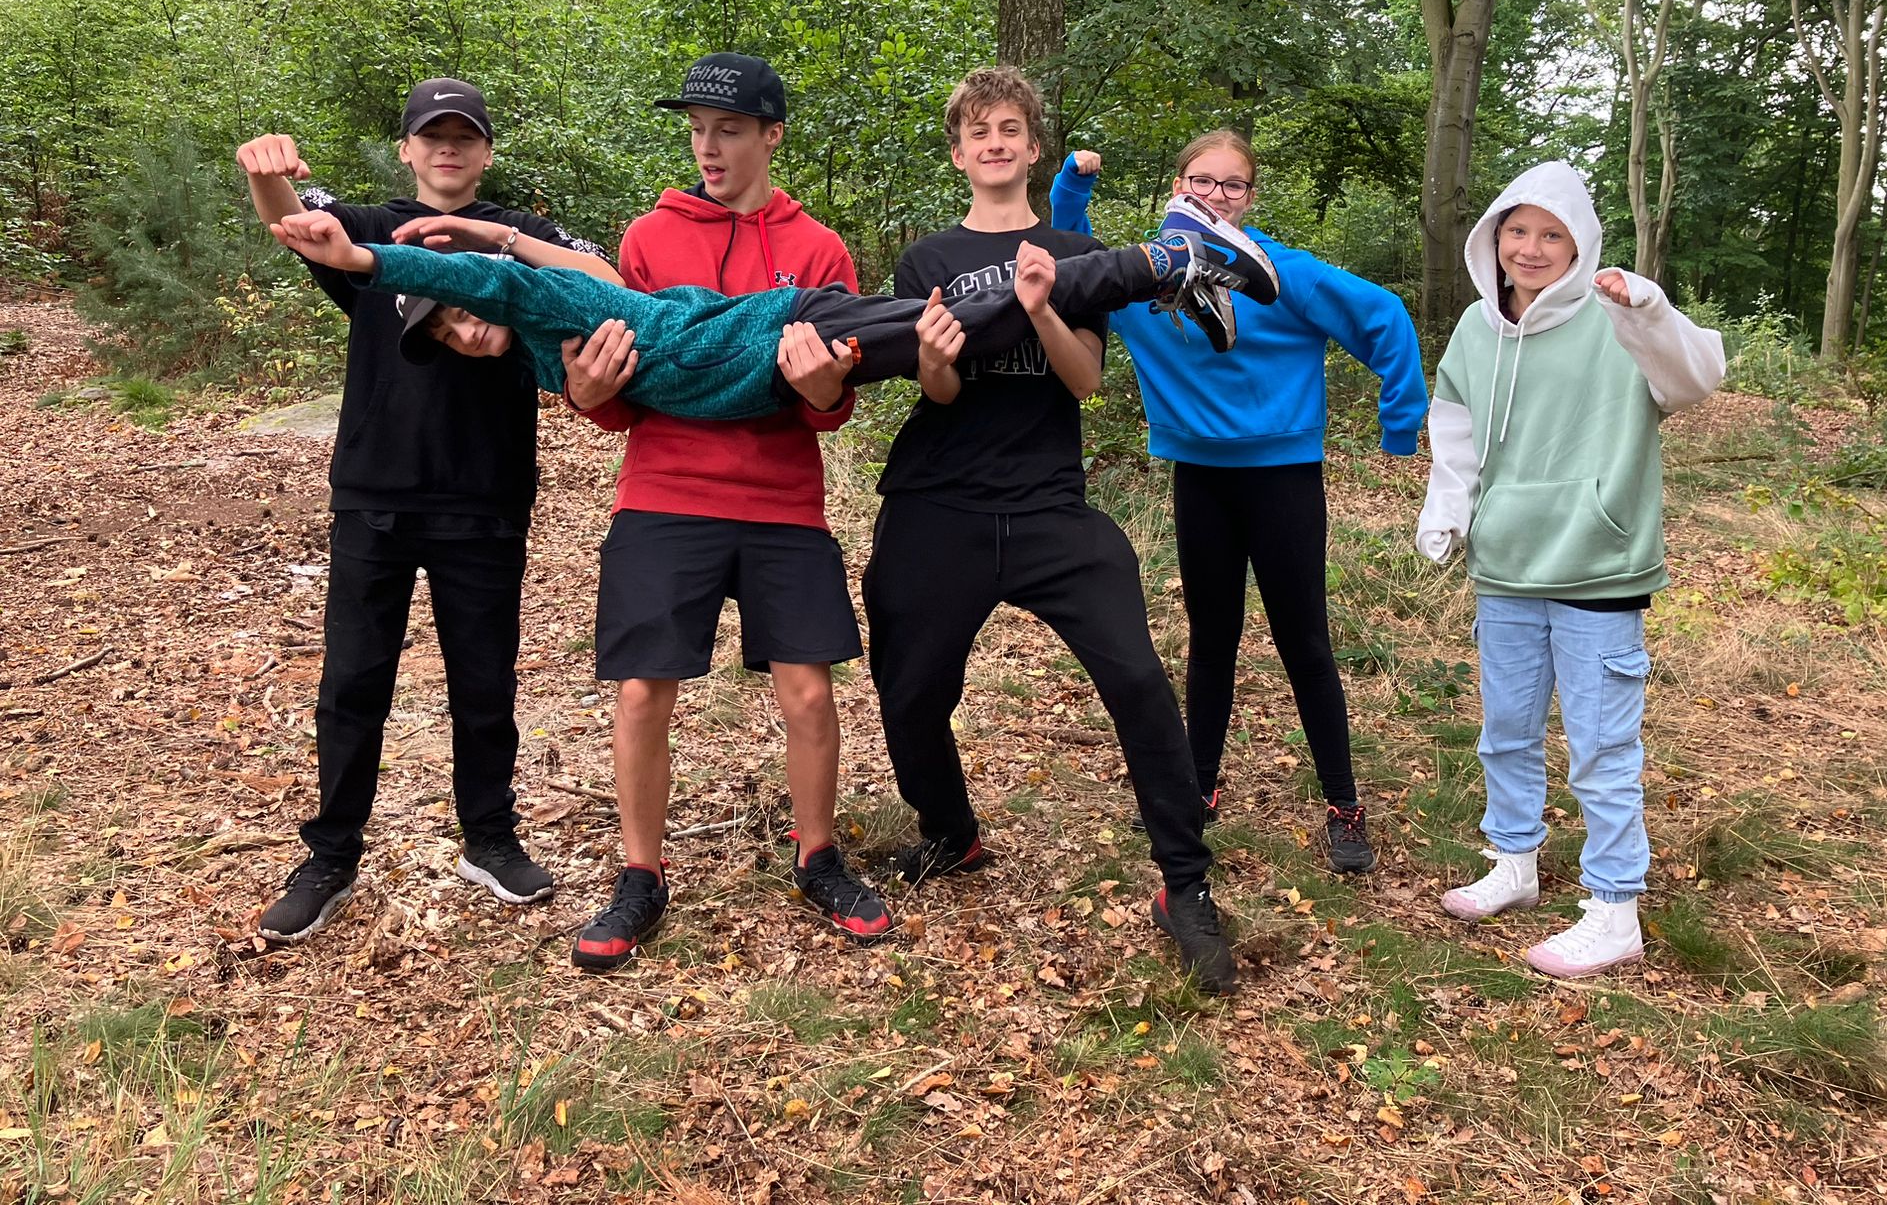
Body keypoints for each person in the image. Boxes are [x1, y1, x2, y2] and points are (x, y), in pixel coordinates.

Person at [862, 66, 1258, 996]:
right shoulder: (927, 259)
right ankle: (949, 832)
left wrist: (1040, 306)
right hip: (938, 504)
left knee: (1138, 680)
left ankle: (1185, 884)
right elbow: (939, 391)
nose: (995, 143)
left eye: (1010, 129)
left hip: (1049, 506)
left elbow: (1084, 380)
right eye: (978, 132)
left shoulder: (1076, 254)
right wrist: (933, 357)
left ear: (1034, 147)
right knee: (910, 690)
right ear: (959, 154)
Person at [235, 79, 613, 944]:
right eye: (431, 135)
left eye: (464, 136)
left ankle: (491, 837)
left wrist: (505, 265)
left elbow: (609, 281)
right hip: (376, 491)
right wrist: (264, 170)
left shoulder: (520, 235)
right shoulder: (373, 227)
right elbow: (295, 220)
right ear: (406, 149)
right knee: (352, 681)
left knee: (484, 679)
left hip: (486, 493)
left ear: (485, 151)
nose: (448, 148)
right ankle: (331, 854)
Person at [556, 52, 889, 968]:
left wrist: (824, 391)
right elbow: (619, 391)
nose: (708, 148)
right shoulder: (646, 241)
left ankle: (818, 857)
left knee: (809, 690)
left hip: (783, 499)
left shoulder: (818, 250)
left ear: (771, 136)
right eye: (698, 130)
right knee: (641, 690)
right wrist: (590, 394)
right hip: (665, 491)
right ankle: (640, 874)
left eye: (729, 130)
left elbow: (833, 404)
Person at [1050, 134, 1427, 873]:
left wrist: (1399, 425)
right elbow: (1076, 265)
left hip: (1283, 477)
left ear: (1250, 198)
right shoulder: (1147, 274)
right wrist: (1072, 188)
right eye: (1202, 181)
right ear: (1177, 186)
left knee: (1303, 641)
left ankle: (1344, 803)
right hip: (1200, 477)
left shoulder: (1282, 273)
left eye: (1232, 185)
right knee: (1211, 638)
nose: (1216, 195)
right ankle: (1198, 787)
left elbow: (1383, 316)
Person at [1414, 160, 1724, 977]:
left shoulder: (1617, 313)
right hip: (1507, 566)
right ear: (1493, 238)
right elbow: (1455, 428)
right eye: (1517, 230)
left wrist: (1649, 310)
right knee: (1506, 732)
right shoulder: (1476, 327)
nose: (1531, 247)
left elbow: (1698, 379)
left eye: (1551, 234)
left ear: (1579, 242)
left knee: (1601, 748)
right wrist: (1448, 510)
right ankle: (1513, 862)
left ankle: (1614, 908)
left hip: (1599, 563)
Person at [264, 199, 1270, 411]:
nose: (465, 328)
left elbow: (500, 280)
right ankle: (1167, 268)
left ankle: (1164, 257)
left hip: (787, 331)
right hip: (777, 366)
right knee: (962, 320)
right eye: (448, 335)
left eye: (456, 309)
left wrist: (367, 259)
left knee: (967, 320)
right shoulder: (543, 358)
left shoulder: (538, 304)